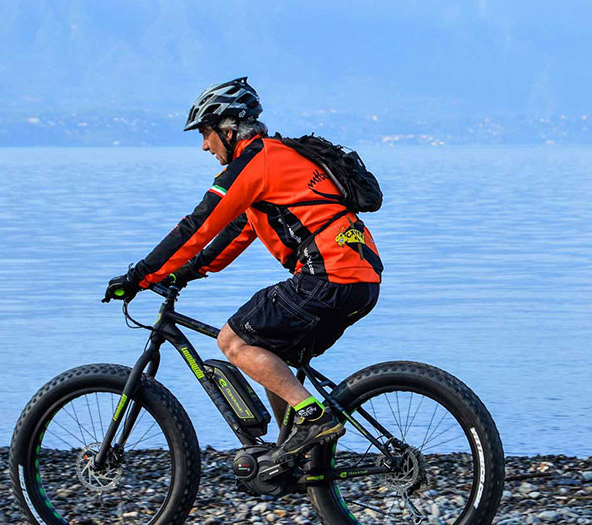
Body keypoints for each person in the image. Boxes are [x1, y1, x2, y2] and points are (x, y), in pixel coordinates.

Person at [101, 77, 382, 462]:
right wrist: (180, 274)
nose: (204, 145)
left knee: (234, 341)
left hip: (327, 277)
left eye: (206, 134)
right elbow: (235, 234)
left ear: (228, 130)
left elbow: (196, 227)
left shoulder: (254, 164)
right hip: (361, 280)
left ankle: (313, 418)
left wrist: (139, 276)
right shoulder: (278, 158)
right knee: (270, 353)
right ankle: (291, 457)